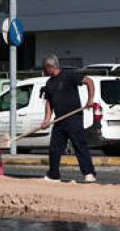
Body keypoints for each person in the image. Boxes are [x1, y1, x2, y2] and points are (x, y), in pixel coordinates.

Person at [40, 54, 97, 183]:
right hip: (59, 119)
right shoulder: (49, 83)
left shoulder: (69, 75)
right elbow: (49, 102)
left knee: (79, 145)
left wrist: (90, 100)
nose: (44, 71)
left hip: (74, 117)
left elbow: (89, 81)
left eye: (45, 68)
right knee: (54, 147)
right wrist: (47, 119)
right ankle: (53, 175)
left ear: (50, 66)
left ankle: (89, 173)